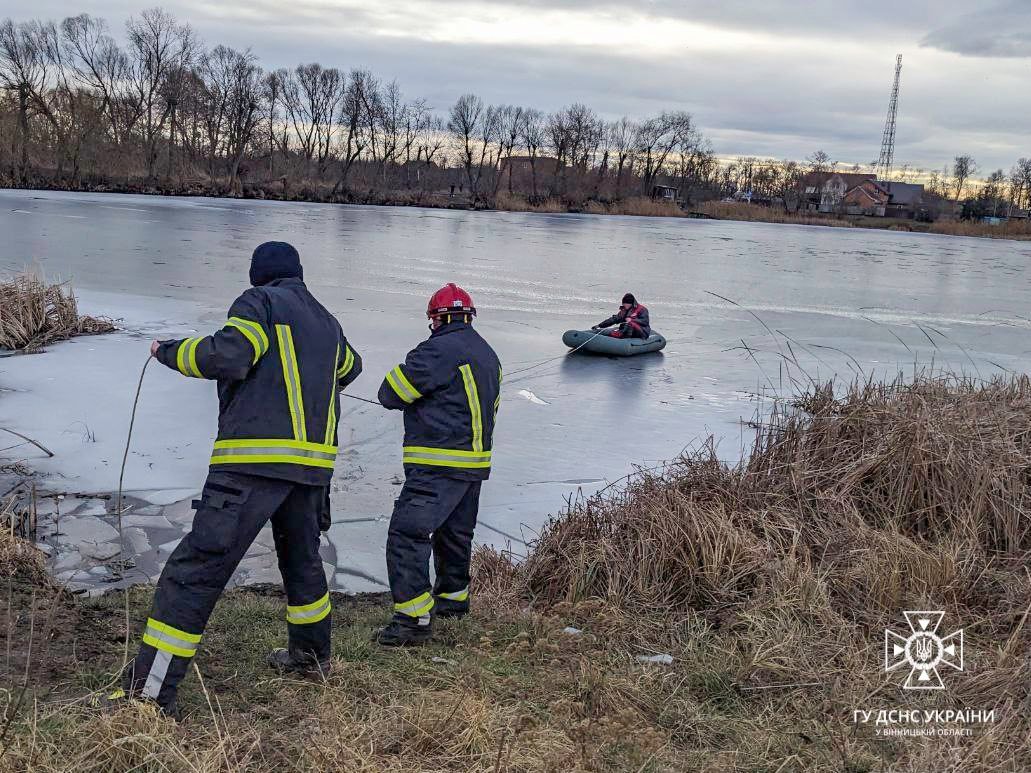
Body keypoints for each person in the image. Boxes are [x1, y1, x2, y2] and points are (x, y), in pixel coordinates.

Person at [117, 241, 361, 717]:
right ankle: (310, 659)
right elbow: (351, 367)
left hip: (252, 464)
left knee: (195, 572)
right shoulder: (328, 321)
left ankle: (149, 696)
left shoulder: (259, 302)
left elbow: (227, 356)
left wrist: (168, 351)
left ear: (259, 275)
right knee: (302, 563)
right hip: (311, 471)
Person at [375, 283, 502, 646]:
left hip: (436, 465)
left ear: (437, 318)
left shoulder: (436, 351)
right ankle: (452, 601)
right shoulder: (488, 354)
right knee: (455, 535)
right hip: (474, 464)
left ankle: (412, 620)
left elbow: (391, 393)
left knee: (406, 535)